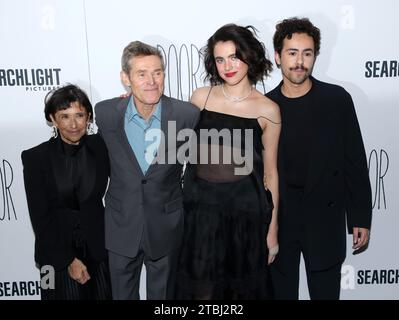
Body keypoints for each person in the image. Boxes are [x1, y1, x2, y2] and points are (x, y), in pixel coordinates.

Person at [266, 17, 372, 300]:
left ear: (314, 57)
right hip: (280, 221)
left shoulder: (337, 100)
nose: (299, 61)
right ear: (277, 57)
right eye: (292, 53)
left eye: (307, 53)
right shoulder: (264, 107)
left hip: (325, 218)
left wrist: (360, 216)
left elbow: (355, 161)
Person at [175, 24, 281, 299]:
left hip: (245, 219)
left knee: (241, 294)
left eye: (234, 57)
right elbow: (176, 142)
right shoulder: (200, 98)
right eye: (220, 59)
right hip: (201, 217)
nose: (227, 66)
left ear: (249, 56)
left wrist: (272, 230)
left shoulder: (268, 110)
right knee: (201, 294)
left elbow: (270, 174)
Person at [95, 41, 200, 300]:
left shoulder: (187, 115)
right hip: (121, 226)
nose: (151, 81)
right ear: (125, 78)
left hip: (166, 225)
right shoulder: (106, 113)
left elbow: (198, 166)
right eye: (141, 74)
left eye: (157, 72)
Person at [21, 84, 112, 300]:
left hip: (97, 250)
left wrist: (128, 99)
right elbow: (40, 218)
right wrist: (69, 260)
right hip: (53, 257)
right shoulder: (35, 158)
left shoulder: (101, 146)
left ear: (89, 117)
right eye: (64, 116)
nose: (73, 124)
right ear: (52, 119)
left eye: (79, 115)